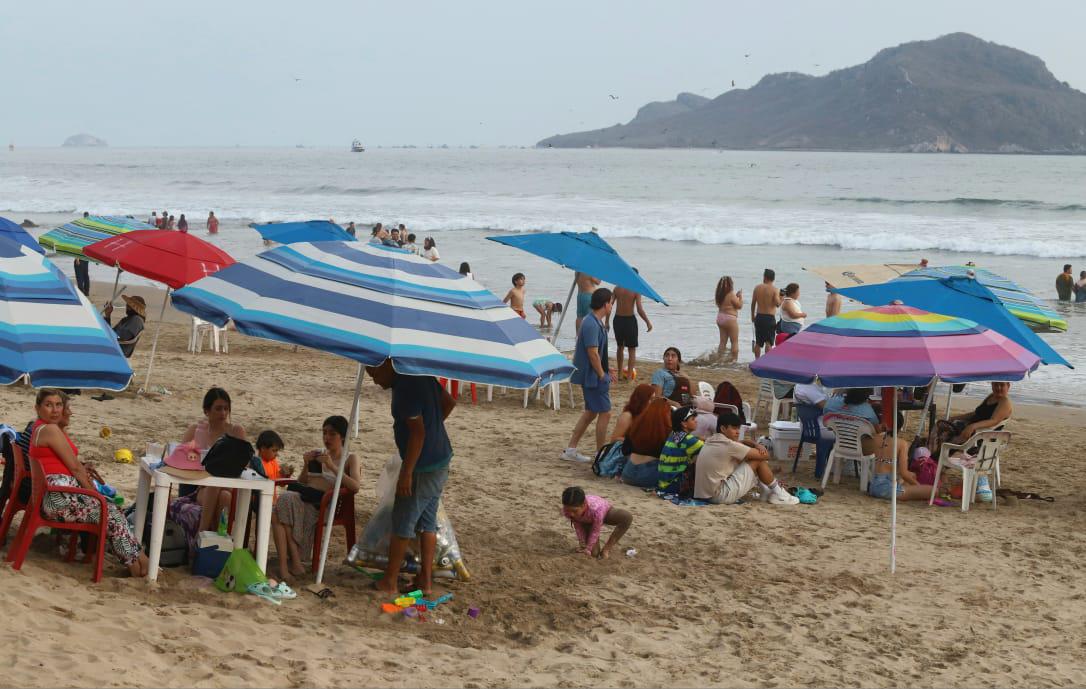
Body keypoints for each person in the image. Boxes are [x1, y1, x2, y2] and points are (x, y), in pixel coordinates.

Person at [28, 389, 149, 576]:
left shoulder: (41, 427)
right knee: (113, 514)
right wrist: (95, 494)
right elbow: (75, 469)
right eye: (48, 405)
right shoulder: (50, 429)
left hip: (57, 495)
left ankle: (140, 563)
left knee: (114, 513)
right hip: (58, 498)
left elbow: (67, 464)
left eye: (58, 405)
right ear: (37, 408)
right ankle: (139, 567)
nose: (55, 410)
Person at [366, 359, 455, 596]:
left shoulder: (404, 390)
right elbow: (448, 402)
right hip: (441, 458)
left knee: (404, 521)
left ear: (388, 365)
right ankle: (424, 581)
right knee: (427, 522)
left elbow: (417, 433)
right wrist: (435, 428)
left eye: (374, 372)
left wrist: (407, 472)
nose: (373, 379)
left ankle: (390, 581)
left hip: (422, 466)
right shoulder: (419, 373)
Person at [271, 416, 360, 582]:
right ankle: (288, 566)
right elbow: (301, 483)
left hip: (327, 506)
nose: (326, 438)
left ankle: (292, 563)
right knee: (278, 509)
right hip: (306, 499)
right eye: (324, 433)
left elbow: (355, 487)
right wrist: (306, 464)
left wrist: (332, 466)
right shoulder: (319, 455)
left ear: (343, 436)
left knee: (282, 504)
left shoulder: (350, 458)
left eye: (332, 434)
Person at [169, 388, 247, 539]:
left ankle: (203, 537)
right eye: (218, 409)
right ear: (207, 411)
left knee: (223, 491)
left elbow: (244, 462)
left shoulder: (236, 431)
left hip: (230, 486)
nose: (223, 413)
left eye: (226, 408)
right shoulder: (197, 430)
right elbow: (179, 457)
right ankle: (216, 543)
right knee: (219, 490)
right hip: (203, 486)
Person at [694, 412, 799, 505]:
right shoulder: (729, 445)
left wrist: (752, 443)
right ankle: (779, 493)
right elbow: (765, 455)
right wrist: (759, 446)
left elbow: (740, 443)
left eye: (738, 428)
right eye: (734, 428)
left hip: (705, 494)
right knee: (757, 460)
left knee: (745, 457)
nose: (738, 432)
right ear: (723, 429)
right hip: (719, 496)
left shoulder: (712, 440)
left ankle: (765, 490)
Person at [562, 288, 613, 462]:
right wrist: (601, 374)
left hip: (595, 374)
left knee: (591, 412)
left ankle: (570, 449)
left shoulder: (594, 322)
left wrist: (606, 369)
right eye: (611, 303)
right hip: (592, 376)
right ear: (606, 304)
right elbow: (592, 352)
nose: (612, 306)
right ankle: (600, 453)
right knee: (605, 413)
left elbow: (599, 352)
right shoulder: (591, 322)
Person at [867, 415, 932, 502]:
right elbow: (903, 473)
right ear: (900, 427)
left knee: (912, 475)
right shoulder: (902, 444)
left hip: (872, 485)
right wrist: (919, 487)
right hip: (887, 489)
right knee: (933, 491)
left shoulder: (875, 438)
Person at [560, 487, 632, 559]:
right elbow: (578, 527)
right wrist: (583, 545)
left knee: (626, 517)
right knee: (594, 553)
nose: (571, 514)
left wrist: (588, 548)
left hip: (604, 512)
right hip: (586, 521)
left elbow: (595, 531)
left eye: (574, 511)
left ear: (584, 505)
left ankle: (606, 549)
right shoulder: (567, 511)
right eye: (567, 510)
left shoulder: (596, 511)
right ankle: (589, 546)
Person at [619, 397, 671, 487]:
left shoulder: (636, 426)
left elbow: (625, 450)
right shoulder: (666, 431)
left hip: (628, 473)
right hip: (649, 476)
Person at [611, 280, 653, 381]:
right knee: (632, 349)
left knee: (620, 347)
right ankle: (629, 376)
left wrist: (607, 321)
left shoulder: (617, 288)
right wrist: (647, 322)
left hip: (618, 319)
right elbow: (639, 309)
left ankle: (620, 374)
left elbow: (610, 304)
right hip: (629, 320)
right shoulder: (636, 290)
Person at [657, 406, 704, 495]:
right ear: (684, 424)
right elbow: (710, 450)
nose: (696, 421)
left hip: (663, 483)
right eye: (693, 419)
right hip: (675, 485)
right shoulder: (689, 439)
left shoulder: (673, 434)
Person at [948, 382, 1013, 444]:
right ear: (992, 385)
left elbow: (993, 421)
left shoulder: (1005, 402)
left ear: (1008, 386)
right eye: (995, 385)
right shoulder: (991, 396)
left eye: (1002, 385)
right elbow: (976, 413)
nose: (998, 388)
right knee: (945, 426)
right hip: (973, 429)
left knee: (946, 433)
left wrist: (972, 427)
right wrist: (954, 418)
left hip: (982, 436)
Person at [751, 268, 782, 359]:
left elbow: (753, 303)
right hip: (769, 318)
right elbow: (777, 304)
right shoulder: (774, 290)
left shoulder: (757, 288)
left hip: (759, 317)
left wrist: (752, 316)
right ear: (773, 278)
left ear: (765, 277)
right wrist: (782, 298)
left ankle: (757, 360)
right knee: (768, 342)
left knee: (758, 342)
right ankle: (766, 361)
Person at [714, 276, 743, 362]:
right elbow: (739, 306)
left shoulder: (719, 295)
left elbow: (726, 304)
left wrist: (736, 297)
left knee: (722, 342)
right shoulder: (731, 294)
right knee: (734, 341)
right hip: (730, 319)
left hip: (720, 318)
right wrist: (740, 297)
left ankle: (719, 359)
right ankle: (734, 360)